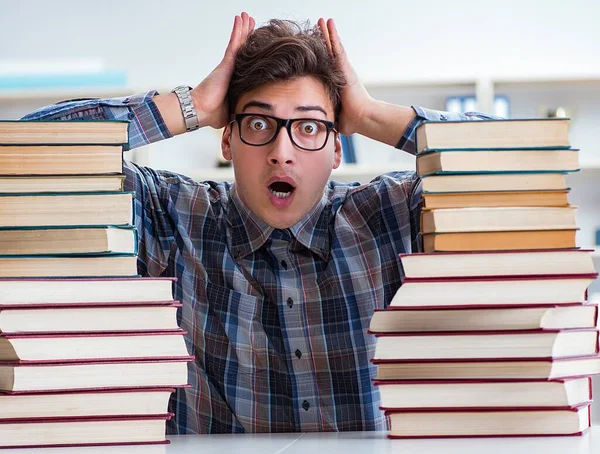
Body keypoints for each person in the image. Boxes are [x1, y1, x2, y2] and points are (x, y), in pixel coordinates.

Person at [22, 13, 495, 433]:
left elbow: (509, 159)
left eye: (308, 127)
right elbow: (26, 151)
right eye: (258, 123)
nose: (281, 152)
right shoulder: (175, 216)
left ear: (337, 149)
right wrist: (195, 105)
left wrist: (371, 114)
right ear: (227, 139)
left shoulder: (388, 214)